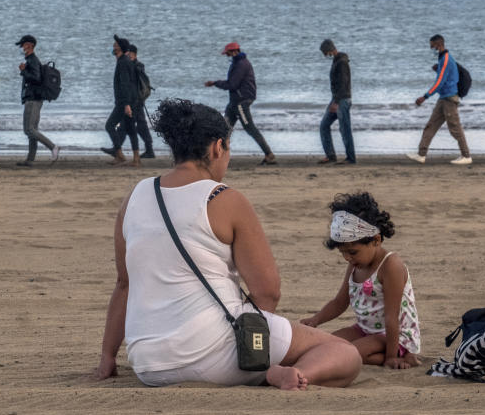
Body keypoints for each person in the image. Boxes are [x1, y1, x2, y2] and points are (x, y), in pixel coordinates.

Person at [90, 98, 360, 389]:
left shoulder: (133, 198)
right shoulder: (224, 198)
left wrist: (107, 355)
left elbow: (124, 285)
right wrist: (251, 343)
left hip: (149, 364)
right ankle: (288, 373)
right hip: (215, 353)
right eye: (228, 149)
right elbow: (267, 291)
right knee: (344, 354)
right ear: (218, 147)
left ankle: (271, 366)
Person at [300, 192, 421, 369]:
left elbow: (391, 317)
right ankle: (392, 356)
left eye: (352, 252)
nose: (347, 258)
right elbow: (340, 302)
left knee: (345, 353)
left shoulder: (390, 266)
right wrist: (315, 320)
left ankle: (404, 355)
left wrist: (391, 357)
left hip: (393, 335)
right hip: (364, 330)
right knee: (325, 346)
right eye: (343, 253)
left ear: (376, 240)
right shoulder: (356, 264)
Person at [205, 42, 276, 165]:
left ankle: (269, 154)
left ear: (234, 52)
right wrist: (216, 83)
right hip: (235, 102)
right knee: (224, 130)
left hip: (241, 102)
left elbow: (232, 84)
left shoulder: (241, 65)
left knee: (250, 128)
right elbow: (232, 83)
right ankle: (217, 156)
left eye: (228, 53)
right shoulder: (237, 63)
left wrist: (215, 83)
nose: (228, 56)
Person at [407, 34, 472, 165]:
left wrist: (425, 96)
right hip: (443, 98)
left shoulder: (446, 59)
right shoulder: (442, 58)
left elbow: (440, 82)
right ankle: (421, 154)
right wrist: (437, 70)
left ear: (438, 44)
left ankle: (466, 156)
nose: (431, 47)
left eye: (432, 45)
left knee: (455, 128)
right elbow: (445, 76)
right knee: (430, 126)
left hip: (449, 99)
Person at [16, 34, 60, 167]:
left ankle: (53, 147)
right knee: (32, 130)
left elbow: (36, 78)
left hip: (33, 99)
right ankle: (30, 159)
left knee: (29, 129)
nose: (22, 47)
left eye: (23, 45)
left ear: (30, 45)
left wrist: (23, 71)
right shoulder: (31, 60)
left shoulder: (33, 60)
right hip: (34, 98)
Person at [103, 35, 141, 166]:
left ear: (120, 49)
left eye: (116, 45)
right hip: (130, 101)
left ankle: (119, 154)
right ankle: (136, 159)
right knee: (130, 129)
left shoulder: (123, 63)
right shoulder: (124, 61)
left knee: (109, 125)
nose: (113, 47)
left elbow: (126, 84)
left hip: (124, 102)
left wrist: (126, 104)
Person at [112, 44, 155, 159]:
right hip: (132, 101)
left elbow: (136, 78)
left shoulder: (138, 65)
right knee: (127, 124)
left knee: (139, 125)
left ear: (134, 54)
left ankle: (149, 150)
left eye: (129, 53)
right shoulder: (130, 64)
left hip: (136, 101)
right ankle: (117, 148)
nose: (126, 54)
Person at [318, 39, 355, 164]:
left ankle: (350, 158)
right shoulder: (337, 60)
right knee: (324, 125)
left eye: (325, 52)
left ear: (330, 50)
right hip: (337, 98)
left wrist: (336, 102)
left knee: (345, 129)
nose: (325, 55)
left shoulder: (342, 62)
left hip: (342, 99)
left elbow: (343, 84)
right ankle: (330, 155)